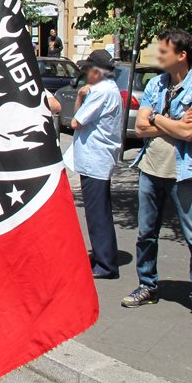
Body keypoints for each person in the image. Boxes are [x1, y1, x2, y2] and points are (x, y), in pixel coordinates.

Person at [123, 29, 192, 326]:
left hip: (185, 173)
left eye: (163, 51)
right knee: (146, 233)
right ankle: (148, 285)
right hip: (151, 168)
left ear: (181, 55)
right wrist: (171, 122)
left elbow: (191, 133)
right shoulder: (155, 84)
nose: (157, 56)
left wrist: (156, 118)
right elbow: (140, 129)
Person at [70, 49, 122, 279]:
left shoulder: (101, 92)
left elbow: (75, 121)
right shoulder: (109, 90)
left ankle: (105, 263)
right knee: (98, 211)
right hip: (97, 158)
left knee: (97, 213)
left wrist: (81, 96)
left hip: (95, 159)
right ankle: (103, 255)